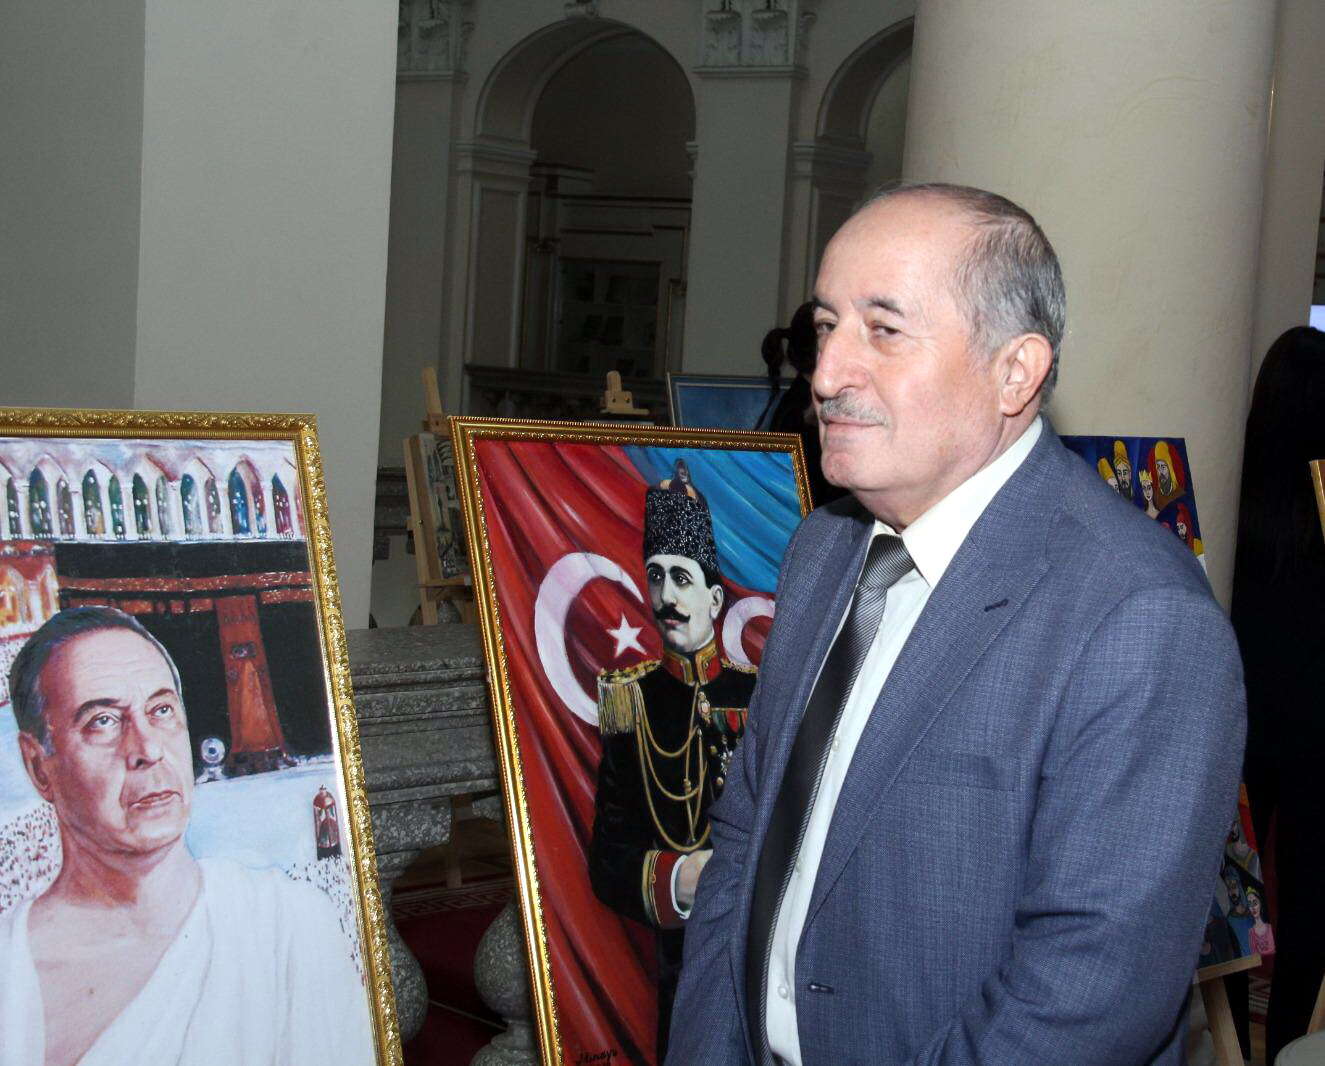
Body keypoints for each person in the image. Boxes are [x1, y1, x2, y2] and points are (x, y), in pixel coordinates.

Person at [666, 183, 1245, 1066]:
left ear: (1015, 372)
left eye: (882, 330)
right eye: (825, 326)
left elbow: (1087, 994)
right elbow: (745, 841)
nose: (825, 374)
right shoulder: (824, 549)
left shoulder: (1139, 618)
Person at [0, 606, 373, 1066]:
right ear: (39, 767)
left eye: (161, 711)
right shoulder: (10, 971)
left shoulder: (285, 924)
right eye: (103, 721)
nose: (148, 749)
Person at [589, 473, 757, 1059]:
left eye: (682, 579)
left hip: (761, 934)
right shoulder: (630, 702)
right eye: (655, 576)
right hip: (680, 958)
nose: (666, 597)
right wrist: (681, 879)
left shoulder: (760, 694)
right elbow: (608, 859)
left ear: (715, 600)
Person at [1231, 324, 1325, 1061]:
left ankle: (1232, 1033)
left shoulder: (1237, 484)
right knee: (1312, 894)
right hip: (1318, 720)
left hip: (1241, 713)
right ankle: (1289, 1043)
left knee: (1233, 892)